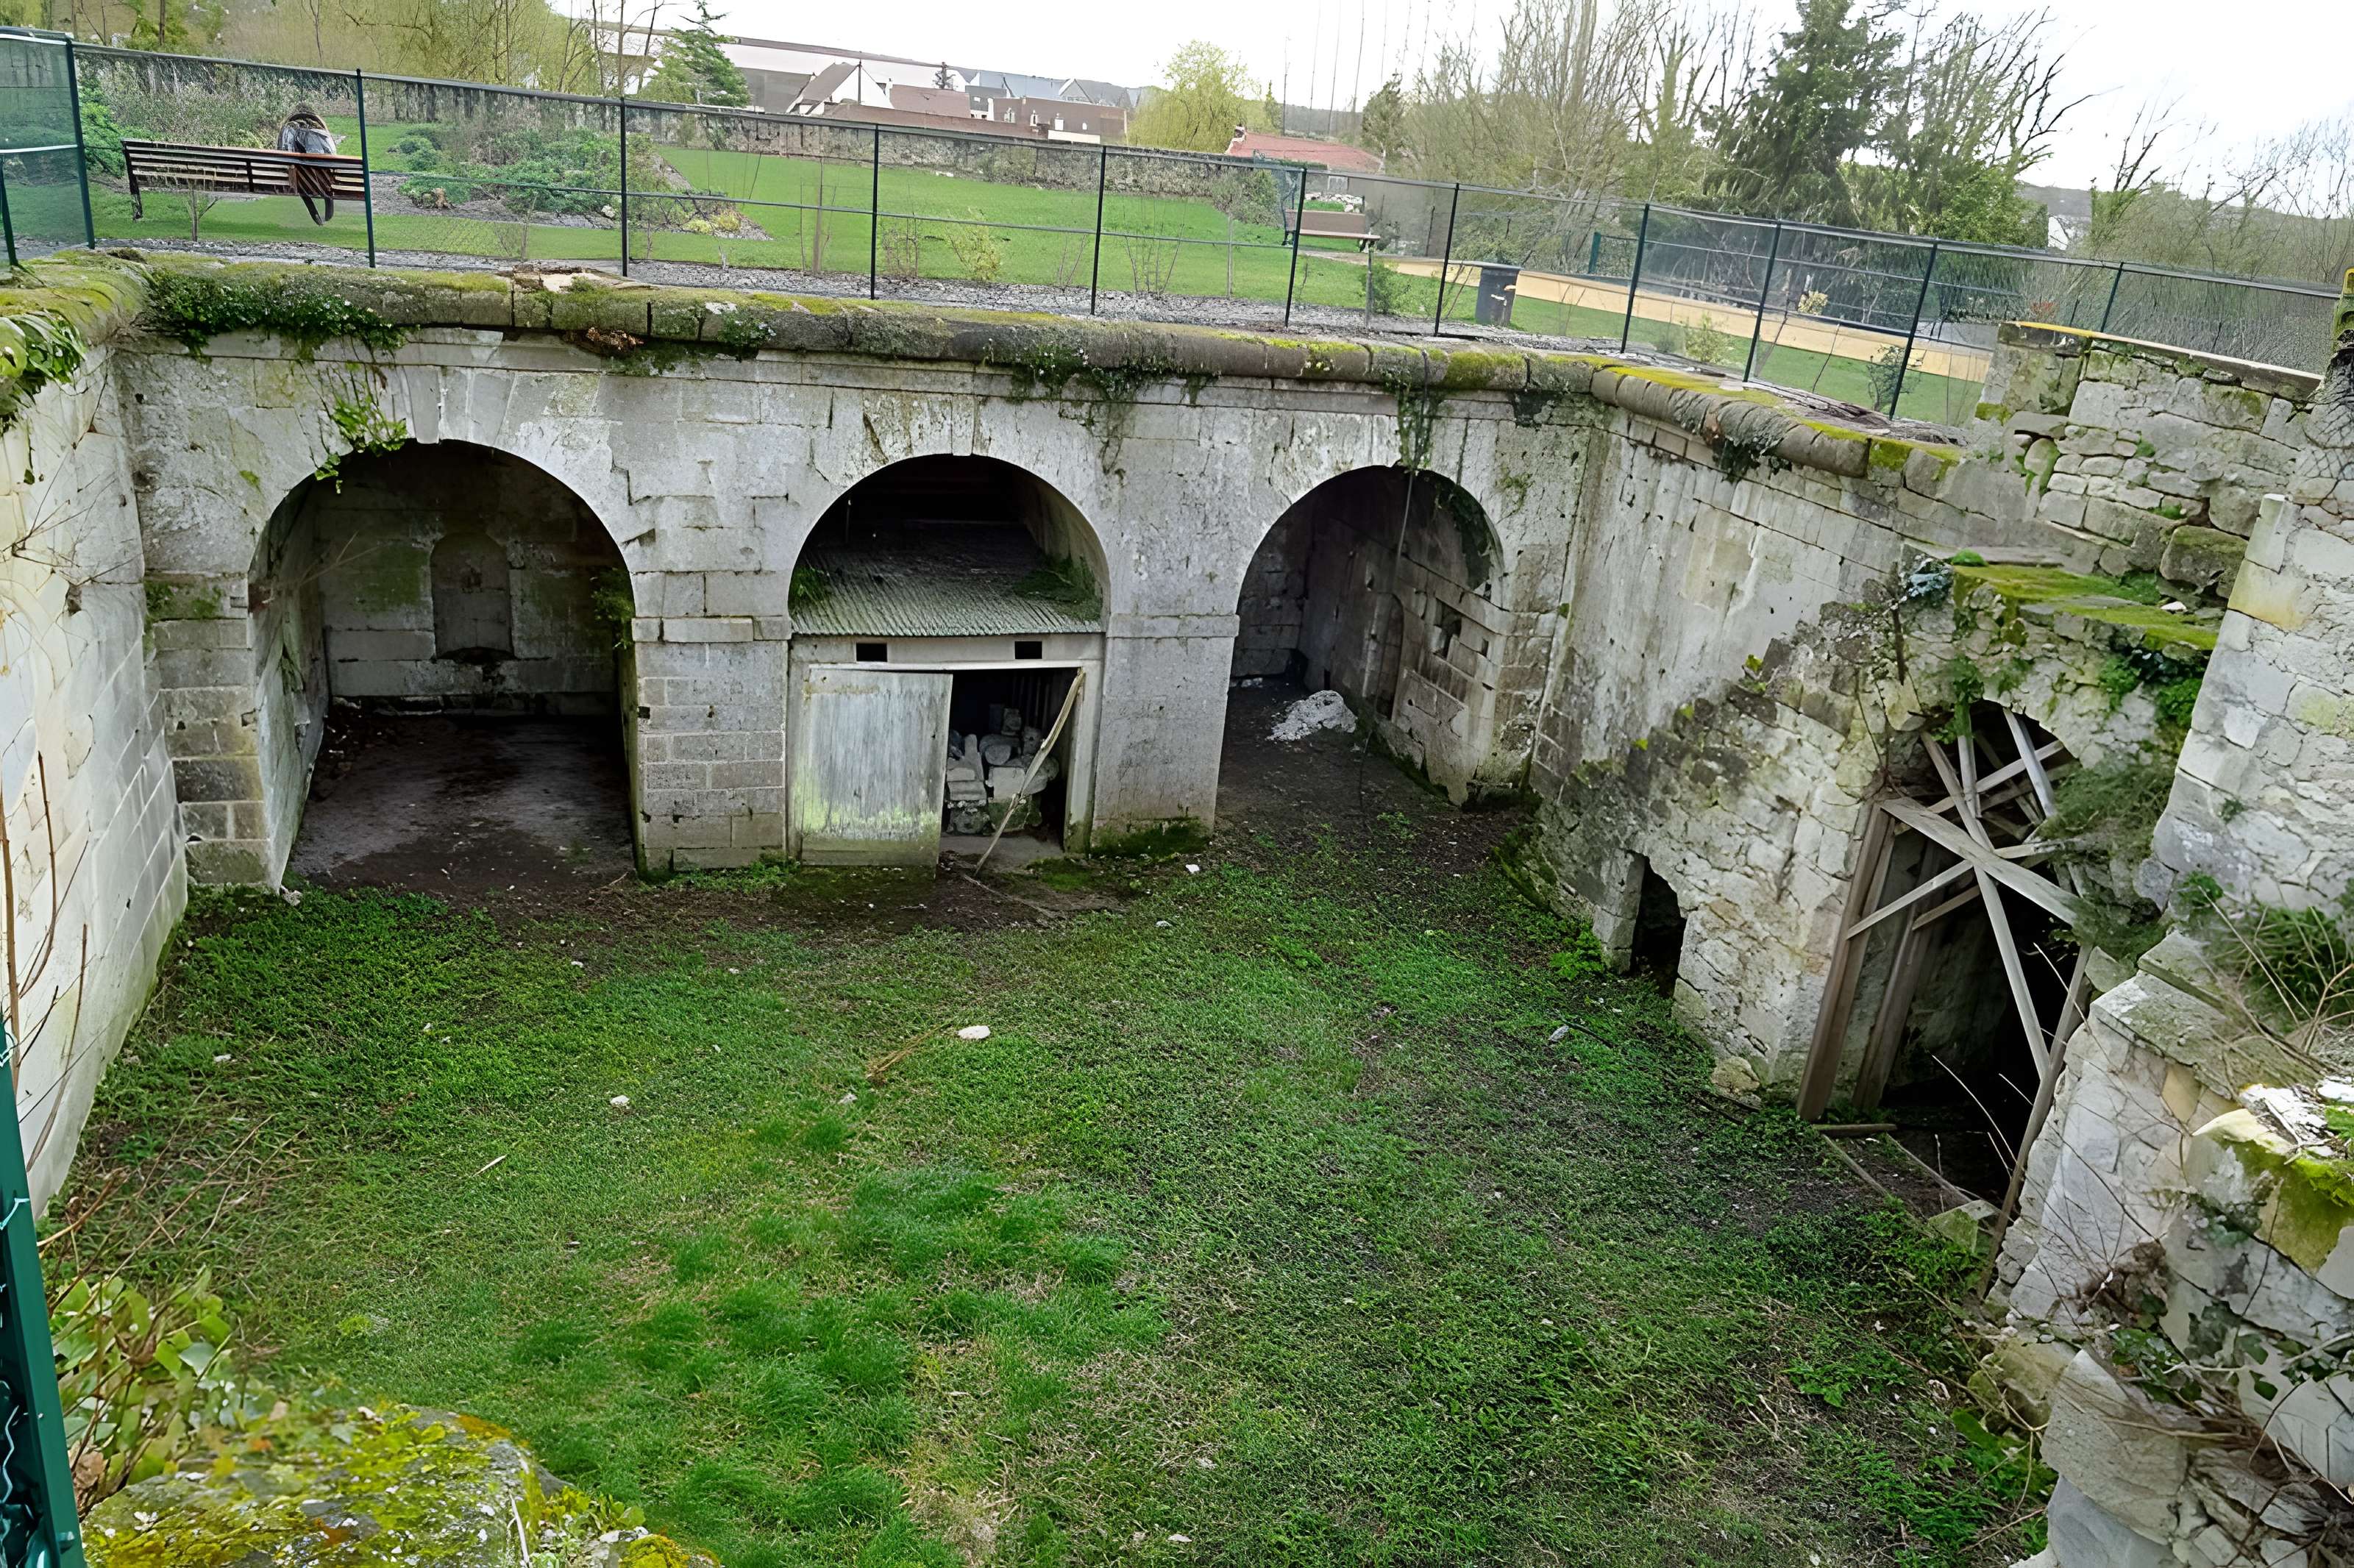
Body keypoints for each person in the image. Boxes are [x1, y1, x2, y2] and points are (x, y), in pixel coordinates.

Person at [277, 105, 338, 225]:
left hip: (300, 182)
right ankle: (328, 200)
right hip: (323, 178)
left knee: (299, 181)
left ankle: (314, 212)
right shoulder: (321, 135)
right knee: (319, 176)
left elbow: (284, 158)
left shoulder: (290, 131)